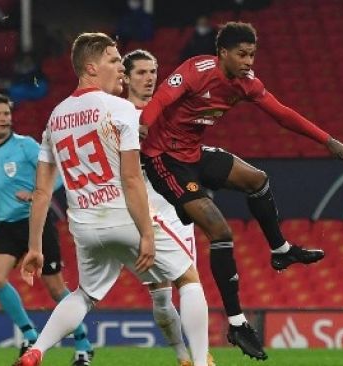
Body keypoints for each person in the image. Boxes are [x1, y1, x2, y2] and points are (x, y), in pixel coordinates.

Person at [139, 21, 343, 360]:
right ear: (223, 53)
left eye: (252, 54)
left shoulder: (247, 84)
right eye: (242, 54)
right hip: (164, 159)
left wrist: (326, 139)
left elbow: (283, 114)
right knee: (221, 232)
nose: (249, 61)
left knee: (257, 180)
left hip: (194, 154)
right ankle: (237, 323)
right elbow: (162, 98)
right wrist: (143, 127)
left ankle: (280, 249)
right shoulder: (197, 69)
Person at [14, 32, 209, 366]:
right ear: (91, 67)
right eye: (114, 60)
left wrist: (35, 247)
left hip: (85, 227)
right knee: (189, 280)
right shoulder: (121, 110)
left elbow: (43, 192)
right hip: (125, 217)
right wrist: (146, 232)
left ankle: (36, 351)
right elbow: (132, 178)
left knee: (84, 295)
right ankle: (201, 362)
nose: (121, 67)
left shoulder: (55, 117)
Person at [0, 93, 94, 366]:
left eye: (7, 113)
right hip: (6, 225)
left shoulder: (26, 146)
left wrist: (38, 192)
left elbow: (59, 173)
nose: (4, 118)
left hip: (35, 222)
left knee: (54, 288)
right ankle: (29, 334)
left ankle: (84, 343)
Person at [122, 48, 215, 366]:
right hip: (142, 212)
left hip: (175, 208)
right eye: (141, 73)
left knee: (189, 281)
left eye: (152, 72)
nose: (149, 78)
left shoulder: (172, 111)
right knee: (160, 295)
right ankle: (181, 355)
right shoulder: (120, 116)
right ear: (126, 78)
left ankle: (200, 356)